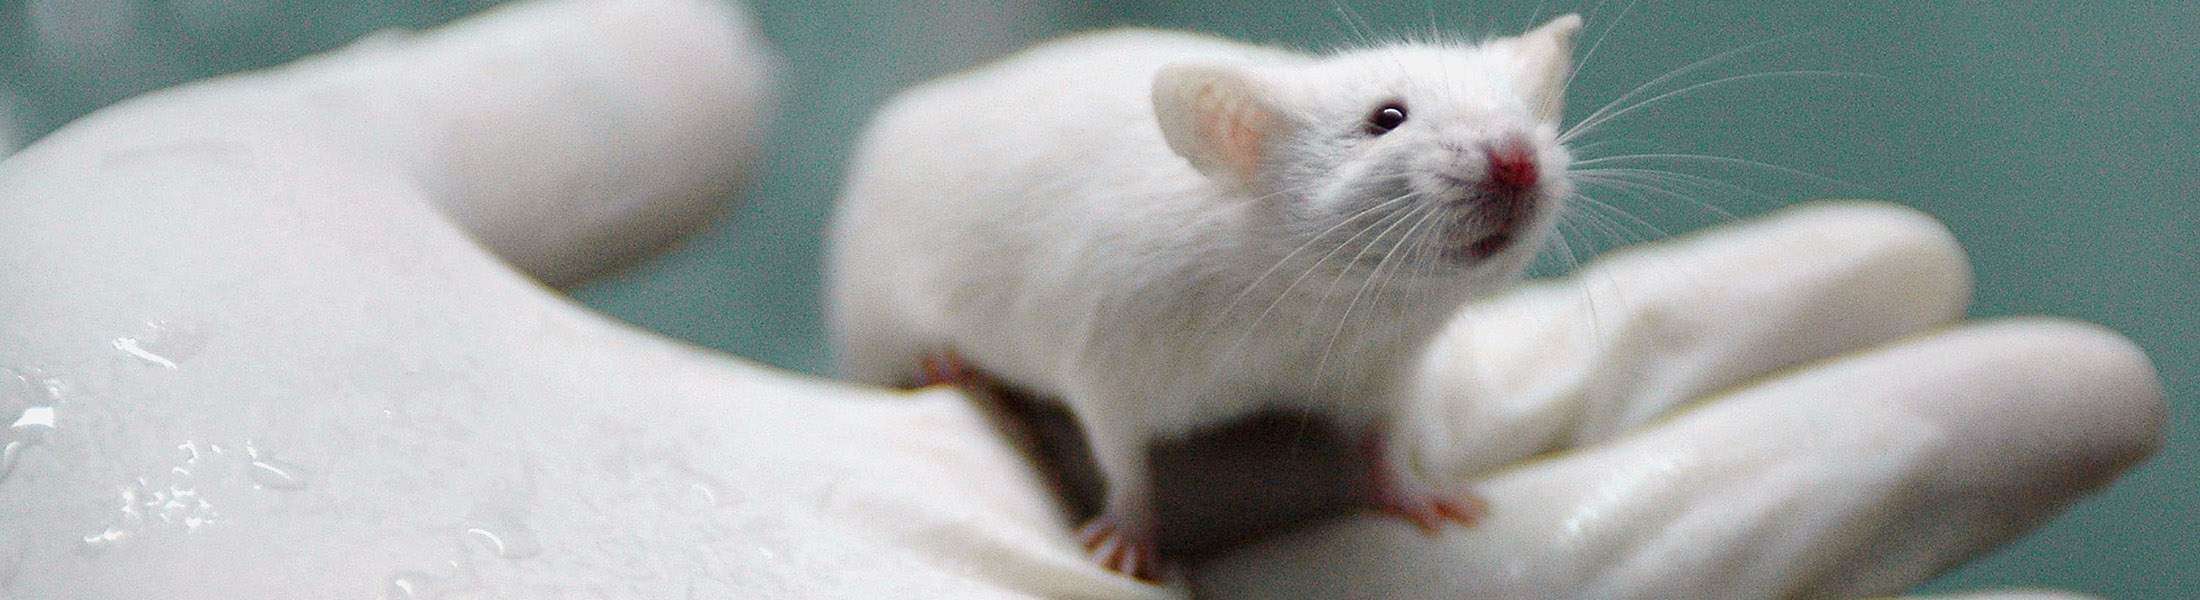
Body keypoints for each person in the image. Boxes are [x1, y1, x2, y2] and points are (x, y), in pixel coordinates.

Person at [0, 0, 2161, 597]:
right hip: (946, 272)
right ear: (1240, 144)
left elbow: (1394, 341)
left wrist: (1382, 451)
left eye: (1503, 135)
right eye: (1401, 129)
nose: (1490, 162)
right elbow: (1128, 365)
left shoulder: (1388, 250)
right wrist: (1123, 503)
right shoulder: (1177, 230)